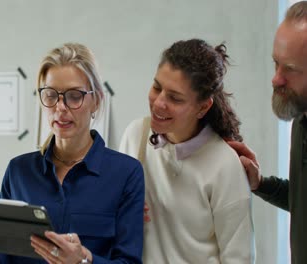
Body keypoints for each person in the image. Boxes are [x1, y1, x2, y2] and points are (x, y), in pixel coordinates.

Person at [0, 43, 145, 264]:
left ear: (96, 100)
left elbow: (129, 261)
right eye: (50, 95)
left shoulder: (126, 173)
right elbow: (3, 259)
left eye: (74, 96)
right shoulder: (18, 171)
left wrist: (82, 260)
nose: (60, 107)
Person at [120, 39, 255, 263]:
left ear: (203, 107)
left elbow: (239, 258)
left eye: (174, 98)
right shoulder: (135, 136)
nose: (159, 103)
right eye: (156, 87)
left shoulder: (225, 165)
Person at [227, 2, 307, 263]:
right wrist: (260, 184)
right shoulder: (301, 121)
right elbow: (301, 202)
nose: (276, 79)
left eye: (291, 69)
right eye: (276, 64)